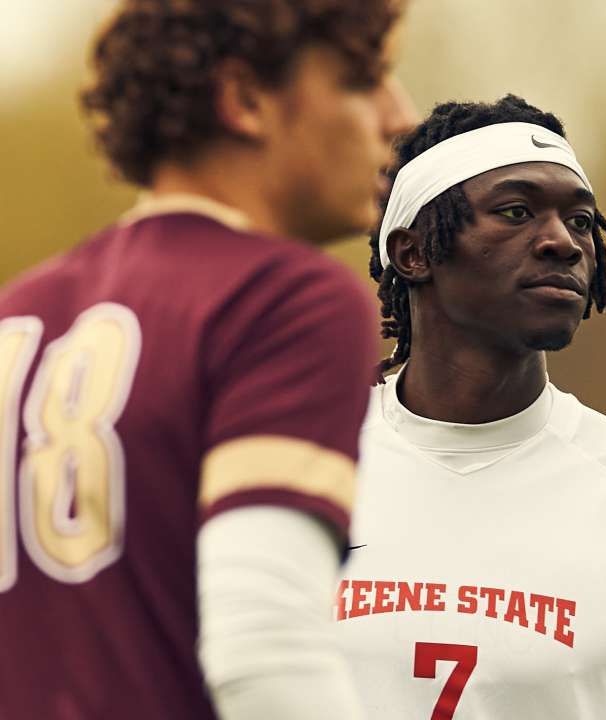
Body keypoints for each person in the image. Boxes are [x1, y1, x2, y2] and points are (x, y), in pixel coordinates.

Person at [0, 1, 416, 718]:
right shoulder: (284, 298)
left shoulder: (18, 311)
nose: (397, 116)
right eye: (361, 79)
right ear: (246, 99)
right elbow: (265, 649)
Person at [334, 95, 606, 719]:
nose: (562, 243)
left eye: (579, 221)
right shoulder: (299, 459)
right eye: (516, 212)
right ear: (413, 253)